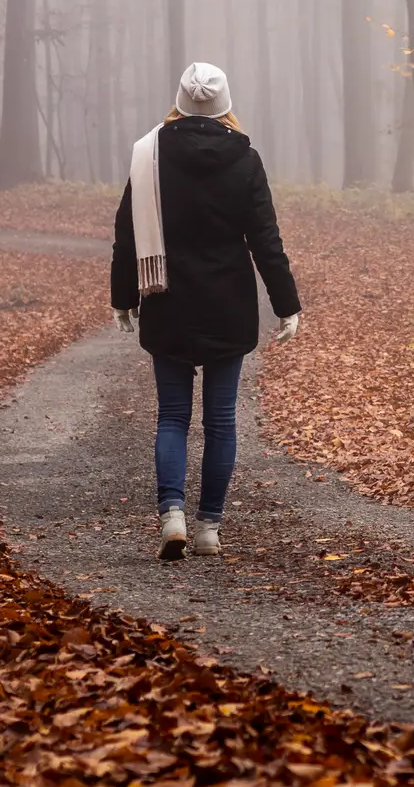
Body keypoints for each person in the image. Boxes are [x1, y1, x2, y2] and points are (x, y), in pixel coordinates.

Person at [112, 62, 301, 561]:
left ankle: (171, 514)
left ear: (179, 101)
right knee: (221, 421)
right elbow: (265, 240)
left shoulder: (149, 155)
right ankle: (208, 529)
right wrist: (286, 304)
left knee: (172, 416)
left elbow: (128, 234)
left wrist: (123, 297)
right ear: (225, 104)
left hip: (166, 298)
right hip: (227, 304)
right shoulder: (245, 158)